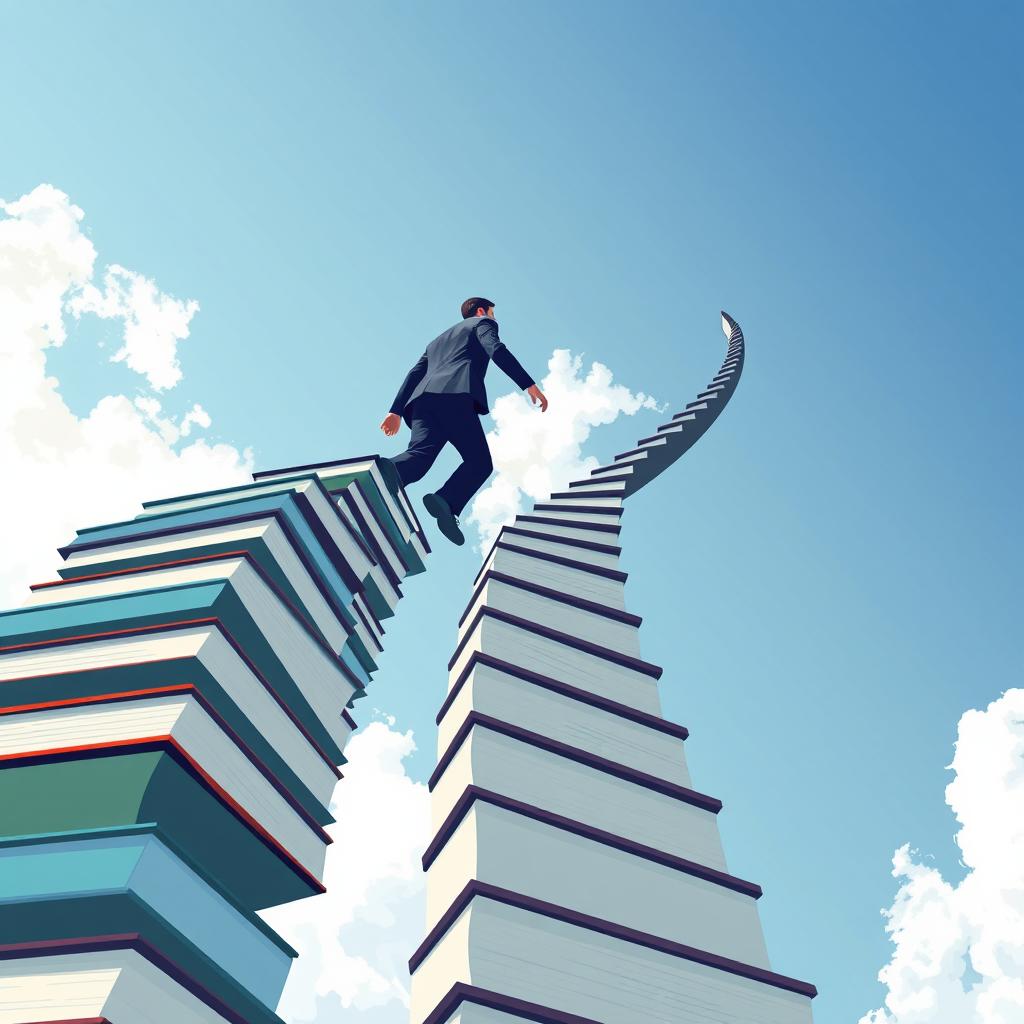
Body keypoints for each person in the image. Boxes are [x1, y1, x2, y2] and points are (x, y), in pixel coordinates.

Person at [379, 297, 548, 545]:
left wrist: (394, 410)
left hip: (421, 402)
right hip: (454, 397)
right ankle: (447, 501)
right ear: (481, 311)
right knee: (480, 463)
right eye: (492, 313)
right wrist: (528, 385)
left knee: (421, 454)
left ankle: (386, 475)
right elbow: (496, 349)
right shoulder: (482, 323)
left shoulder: (437, 341)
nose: (494, 318)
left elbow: (415, 373)